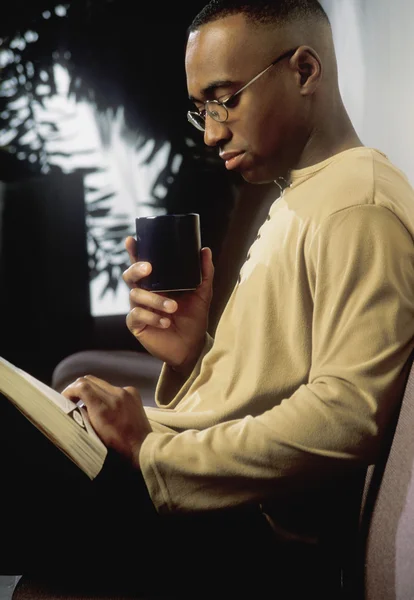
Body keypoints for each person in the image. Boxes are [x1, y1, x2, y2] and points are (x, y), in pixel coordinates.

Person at [2, 0, 414, 597]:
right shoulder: (307, 193)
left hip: (252, 535)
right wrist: (189, 354)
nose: (212, 131)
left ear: (304, 71)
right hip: (212, 501)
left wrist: (151, 453)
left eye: (225, 98)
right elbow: (272, 384)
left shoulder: (358, 207)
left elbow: (349, 414)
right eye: (201, 110)